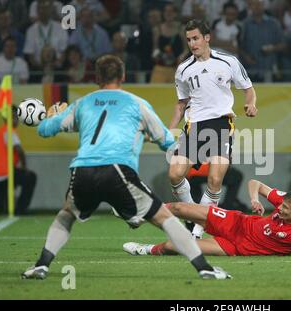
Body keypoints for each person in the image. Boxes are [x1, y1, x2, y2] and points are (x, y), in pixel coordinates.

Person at [21, 54, 231, 281]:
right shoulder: (135, 103)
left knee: (66, 215)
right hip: (117, 172)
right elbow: (165, 141)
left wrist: (54, 117)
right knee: (165, 218)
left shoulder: (82, 103)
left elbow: (45, 130)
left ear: (96, 78)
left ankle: (41, 266)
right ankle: (204, 269)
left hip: (82, 172)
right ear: (122, 76)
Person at [168, 19, 257, 239]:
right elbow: (181, 104)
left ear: (207, 37)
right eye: (188, 39)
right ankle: (193, 215)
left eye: (196, 38)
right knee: (175, 174)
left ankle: (198, 230)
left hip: (221, 123)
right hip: (194, 125)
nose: (192, 43)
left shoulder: (228, 62)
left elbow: (248, 88)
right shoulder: (183, 69)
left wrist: (251, 103)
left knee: (216, 179)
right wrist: (170, 129)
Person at [123, 179, 291, 258]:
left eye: (285, 208)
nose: (281, 207)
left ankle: (147, 249)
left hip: (236, 246)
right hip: (236, 221)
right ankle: (140, 215)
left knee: (177, 245)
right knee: (181, 207)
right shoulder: (285, 201)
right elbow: (255, 183)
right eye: (283, 204)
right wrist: (254, 199)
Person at [0, 106, 37, 215]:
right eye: (12, 117)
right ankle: (20, 209)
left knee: (2, 204)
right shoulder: (10, 131)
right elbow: (19, 150)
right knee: (30, 177)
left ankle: (1, 206)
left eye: (16, 117)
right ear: (5, 119)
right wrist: (24, 167)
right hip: (6, 173)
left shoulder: (1, 131)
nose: (15, 119)